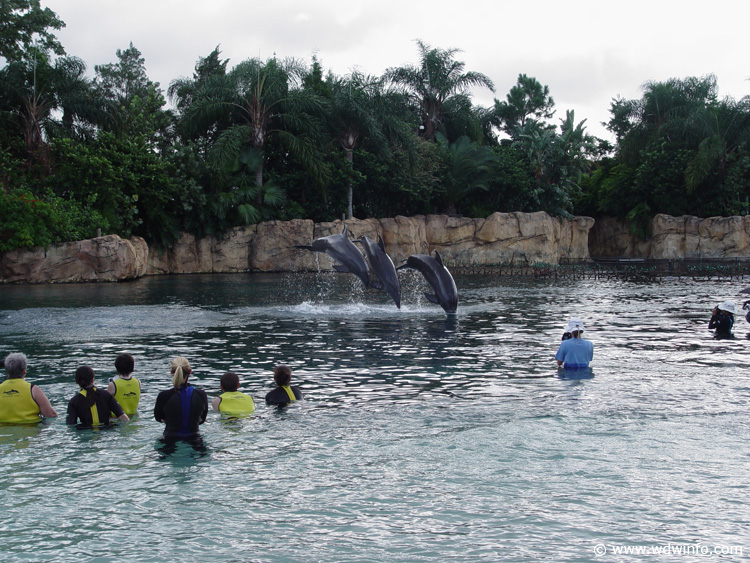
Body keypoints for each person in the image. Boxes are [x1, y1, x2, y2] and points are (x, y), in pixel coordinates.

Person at [154, 357, 208, 439]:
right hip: (195, 438)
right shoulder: (201, 394)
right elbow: (202, 420)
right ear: (190, 372)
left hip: (169, 438)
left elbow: (159, 418)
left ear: (172, 372)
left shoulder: (164, 396)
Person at [0, 352, 57, 423]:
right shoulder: (33, 390)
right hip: (30, 431)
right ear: (24, 372)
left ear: (6, 371)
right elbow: (51, 414)